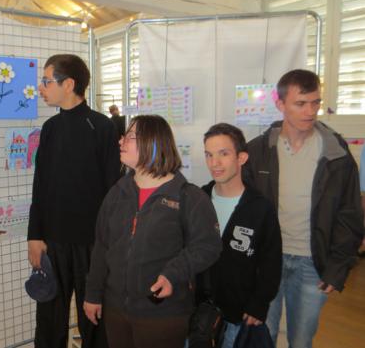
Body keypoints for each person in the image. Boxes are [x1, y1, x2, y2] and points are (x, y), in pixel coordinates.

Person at [244, 69, 364, 348]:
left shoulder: (336, 152)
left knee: (301, 340)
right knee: (264, 336)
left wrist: (338, 268)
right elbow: (245, 213)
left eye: (315, 102)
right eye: (301, 103)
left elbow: (350, 214)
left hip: (313, 263)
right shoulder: (257, 151)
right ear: (280, 104)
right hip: (267, 261)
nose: (310, 111)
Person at [84, 115, 222, 348]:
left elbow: (208, 246)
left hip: (163, 314)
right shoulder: (117, 193)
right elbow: (102, 247)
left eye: (129, 137)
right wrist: (93, 294)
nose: (121, 142)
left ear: (153, 143)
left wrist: (172, 274)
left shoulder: (189, 197)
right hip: (116, 310)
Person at [28, 54, 121, 348]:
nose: (41, 88)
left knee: (93, 319)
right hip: (52, 242)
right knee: (49, 319)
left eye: (46, 81)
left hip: (92, 244)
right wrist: (35, 235)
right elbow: (40, 187)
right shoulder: (50, 128)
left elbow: (112, 191)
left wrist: (108, 244)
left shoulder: (103, 127)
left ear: (68, 84)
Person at [200, 123, 282, 348]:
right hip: (199, 311)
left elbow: (271, 263)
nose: (214, 163)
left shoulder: (260, 208)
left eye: (223, 154)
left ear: (242, 158)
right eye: (209, 155)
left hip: (238, 314)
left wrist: (259, 304)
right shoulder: (198, 200)